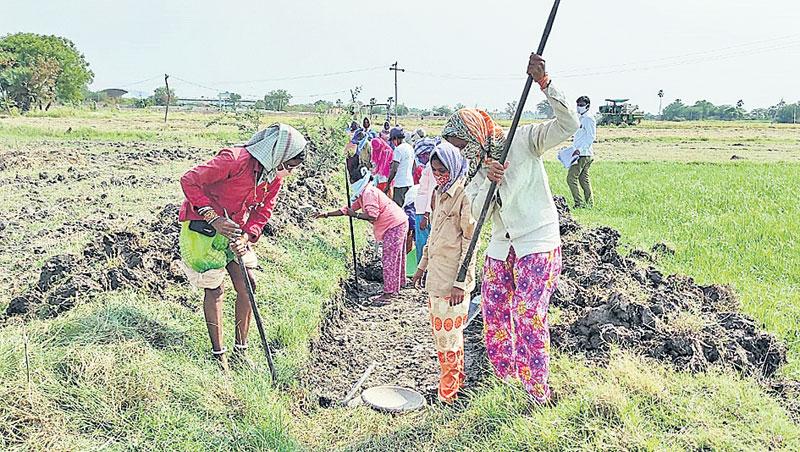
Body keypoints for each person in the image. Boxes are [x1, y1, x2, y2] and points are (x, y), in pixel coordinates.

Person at [441, 54, 579, 404]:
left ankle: (537, 393)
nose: (462, 153)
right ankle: (507, 384)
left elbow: (568, 125)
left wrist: (545, 83)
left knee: (529, 314)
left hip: (536, 241)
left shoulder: (524, 139)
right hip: (502, 247)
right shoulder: (474, 169)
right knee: (493, 312)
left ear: (474, 134)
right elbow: (475, 213)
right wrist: (486, 181)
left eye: (463, 145)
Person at [178, 124, 307, 370]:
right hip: (202, 230)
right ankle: (219, 357)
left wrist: (246, 237)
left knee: (248, 285)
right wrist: (213, 217)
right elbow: (189, 180)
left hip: (233, 231)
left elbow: (263, 212)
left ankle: (241, 352)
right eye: (288, 166)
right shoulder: (234, 160)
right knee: (215, 290)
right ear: (277, 153)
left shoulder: (271, 177)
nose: (288, 172)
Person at [411, 141, 475, 403]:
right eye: (435, 171)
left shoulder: (464, 196)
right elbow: (434, 236)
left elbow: (471, 241)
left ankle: (448, 395)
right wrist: (421, 267)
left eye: (443, 171)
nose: (438, 176)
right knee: (444, 339)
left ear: (454, 167)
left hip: (452, 283)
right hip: (436, 279)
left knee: (448, 340)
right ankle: (454, 386)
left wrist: (460, 281)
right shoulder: (439, 194)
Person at [317, 170, 408, 304]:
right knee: (396, 256)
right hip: (398, 221)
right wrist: (326, 214)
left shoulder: (368, 194)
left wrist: (356, 215)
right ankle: (397, 286)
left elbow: (373, 215)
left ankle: (389, 293)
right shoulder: (363, 193)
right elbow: (347, 210)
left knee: (390, 258)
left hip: (393, 224)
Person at [567, 95, 596, 208]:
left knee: (571, 178)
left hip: (583, 154)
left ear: (587, 106)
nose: (579, 107)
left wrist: (580, 150)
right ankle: (589, 203)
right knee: (583, 179)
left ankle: (579, 203)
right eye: (578, 105)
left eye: (581, 105)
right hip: (582, 153)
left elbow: (591, 137)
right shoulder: (580, 117)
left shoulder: (588, 118)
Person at [413, 137, 438, 264]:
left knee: (423, 245)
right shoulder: (429, 166)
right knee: (420, 244)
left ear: (427, 154)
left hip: (424, 212)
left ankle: (423, 275)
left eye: (421, 155)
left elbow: (432, 192)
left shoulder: (432, 168)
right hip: (421, 211)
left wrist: (426, 215)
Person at [387, 127, 414, 207]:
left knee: (398, 209)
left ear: (395, 138)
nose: (393, 142)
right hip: (409, 183)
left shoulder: (398, 150)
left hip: (400, 185)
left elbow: (394, 169)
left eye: (392, 140)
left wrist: (388, 184)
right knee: (408, 208)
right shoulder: (410, 147)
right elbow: (414, 166)